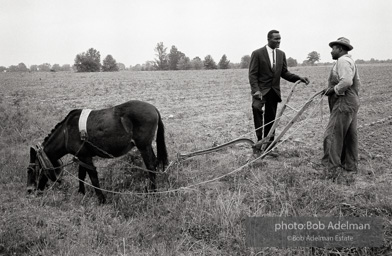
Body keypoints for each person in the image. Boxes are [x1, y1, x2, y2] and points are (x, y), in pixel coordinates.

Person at [249, 30, 309, 153]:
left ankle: (269, 146)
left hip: (273, 91)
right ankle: (260, 140)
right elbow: (252, 74)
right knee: (256, 109)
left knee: (271, 118)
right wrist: (256, 90)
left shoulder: (281, 54)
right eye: (276, 39)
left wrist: (299, 78)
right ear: (268, 39)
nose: (279, 41)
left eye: (280, 39)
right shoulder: (257, 53)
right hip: (260, 92)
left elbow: (284, 73)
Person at [321, 37, 361, 184]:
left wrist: (333, 90)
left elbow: (346, 81)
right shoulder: (349, 61)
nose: (331, 51)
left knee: (332, 135)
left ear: (340, 49)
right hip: (352, 101)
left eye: (333, 48)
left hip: (344, 101)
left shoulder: (343, 61)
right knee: (350, 135)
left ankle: (331, 169)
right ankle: (350, 166)